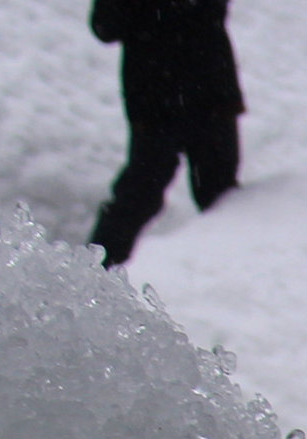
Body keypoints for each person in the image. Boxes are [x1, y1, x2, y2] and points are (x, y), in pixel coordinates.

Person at [87, 0, 242, 267]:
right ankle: (91, 274)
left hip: (204, 95)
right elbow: (105, 27)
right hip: (160, 103)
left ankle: (235, 276)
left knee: (222, 198)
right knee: (139, 194)